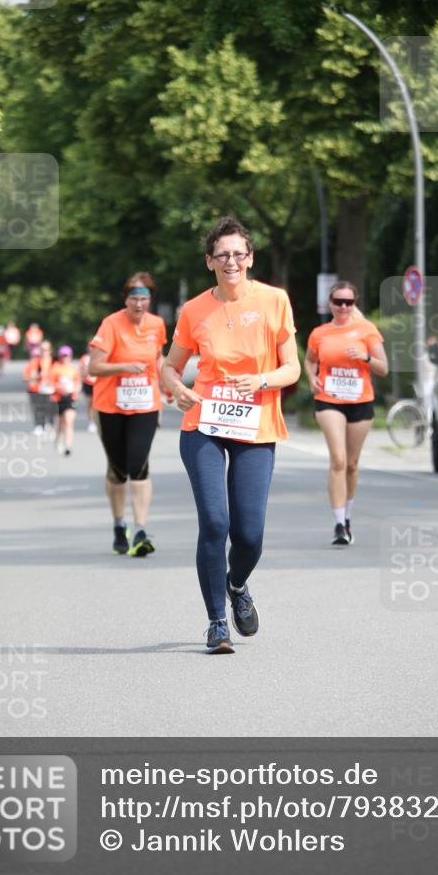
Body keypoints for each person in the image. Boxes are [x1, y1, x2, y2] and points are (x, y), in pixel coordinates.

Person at [161, 216, 300, 654]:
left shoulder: (275, 301)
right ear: (209, 262)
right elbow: (169, 365)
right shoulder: (195, 310)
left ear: (250, 257)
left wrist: (261, 381)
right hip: (203, 422)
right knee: (215, 523)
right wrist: (178, 389)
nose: (231, 261)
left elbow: (292, 368)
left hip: (255, 424)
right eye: (222, 254)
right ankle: (216, 623)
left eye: (239, 253)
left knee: (250, 534)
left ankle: (236, 585)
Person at [88, 272, 167, 557]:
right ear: (126, 299)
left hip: (145, 404)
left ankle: (140, 529)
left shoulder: (157, 325)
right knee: (118, 470)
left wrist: (166, 385)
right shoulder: (111, 324)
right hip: (110, 405)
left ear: (150, 300)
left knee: (139, 464)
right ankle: (119, 525)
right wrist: (123, 367)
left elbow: (158, 358)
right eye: (134, 298)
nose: (138, 304)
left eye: (144, 299)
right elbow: (94, 367)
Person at [304, 281, 388, 546]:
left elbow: (383, 368)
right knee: (338, 460)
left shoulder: (366, 330)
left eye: (348, 302)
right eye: (338, 302)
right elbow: (309, 360)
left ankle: (348, 517)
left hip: (360, 402)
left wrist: (364, 357)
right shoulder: (320, 333)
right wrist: (311, 378)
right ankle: (338, 524)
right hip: (329, 399)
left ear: (354, 304)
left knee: (351, 464)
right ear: (330, 304)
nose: (343, 307)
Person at [51, 345, 81, 456]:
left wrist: (75, 391)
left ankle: (67, 446)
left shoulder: (73, 369)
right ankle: (58, 440)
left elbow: (78, 382)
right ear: (59, 356)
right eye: (63, 356)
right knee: (60, 423)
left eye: (67, 356)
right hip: (58, 398)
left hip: (70, 398)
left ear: (70, 356)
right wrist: (58, 388)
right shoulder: (55, 368)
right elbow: (50, 383)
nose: (65, 358)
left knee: (69, 422)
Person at [22, 342, 56, 436]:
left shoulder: (54, 362)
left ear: (50, 350)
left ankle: (49, 424)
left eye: (46, 349)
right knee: (38, 407)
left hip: (50, 388)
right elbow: (25, 377)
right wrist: (35, 377)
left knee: (50, 407)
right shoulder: (34, 362)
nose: (44, 352)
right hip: (35, 388)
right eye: (42, 349)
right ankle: (39, 426)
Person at [79, 351, 98, 433]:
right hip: (88, 383)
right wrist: (87, 371)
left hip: (98, 384)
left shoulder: (100, 356)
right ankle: (91, 422)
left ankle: (97, 422)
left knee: (97, 404)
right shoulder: (85, 358)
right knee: (90, 404)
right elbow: (82, 372)